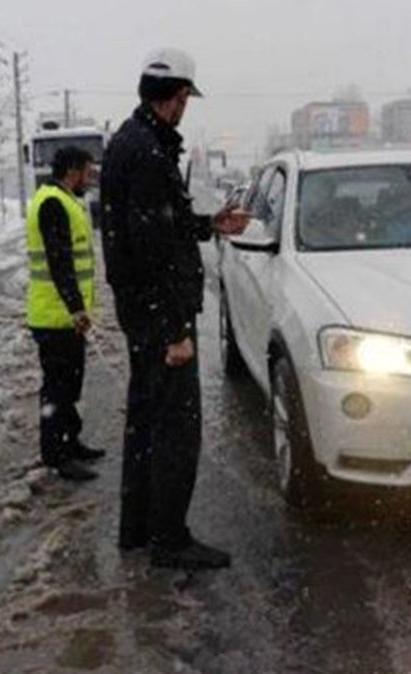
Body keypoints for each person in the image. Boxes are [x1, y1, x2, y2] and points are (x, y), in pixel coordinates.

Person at [101, 47, 249, 570]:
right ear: (177, 97)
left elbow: (160, 227)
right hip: (159, 320)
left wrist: (210, 224)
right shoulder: (146, 153)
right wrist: (173, 331)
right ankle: (169, 539)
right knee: (175, 433)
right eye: (186, 98)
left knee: (145, 425)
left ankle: (138, 531)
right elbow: (149, 250)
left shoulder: (135, 143)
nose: (186, 108)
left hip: (145, 316)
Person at [26, 146, 106, 482]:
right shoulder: (52, 203)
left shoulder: (65, 199)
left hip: (64, 316)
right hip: (55, 317)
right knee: (58, 389)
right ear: (72, 171)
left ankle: (70, 442)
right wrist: (75, 308)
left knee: (69, 385)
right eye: (87, 173)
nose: (89, 180)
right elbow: (59, 261)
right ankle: (56, 455)